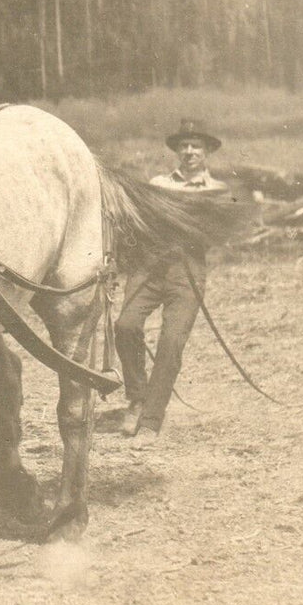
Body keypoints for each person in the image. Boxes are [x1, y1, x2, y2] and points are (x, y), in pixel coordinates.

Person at [114, 118, 229, 438]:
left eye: (196, 146)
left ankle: (151, 419)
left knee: (171, 342)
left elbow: (215, 234)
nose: (190, 152)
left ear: (207, 152)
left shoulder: (217, 191)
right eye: (184, 146)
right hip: (150, 266)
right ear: (177, 151)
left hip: (187, 270)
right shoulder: (159, 184)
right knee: (125, 325)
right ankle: (137, 398)